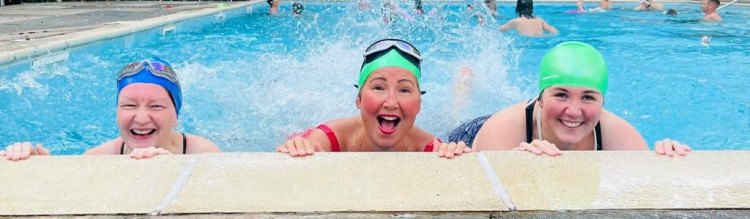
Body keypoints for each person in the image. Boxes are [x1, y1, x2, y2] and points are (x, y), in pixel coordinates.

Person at [465, 41, 691, 156]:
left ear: (603, 103)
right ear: (540, 98)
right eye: (561, 95)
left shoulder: (618, 133)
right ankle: (463, 87)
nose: (573, 111)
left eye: (588, 97)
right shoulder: (504, 129)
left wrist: (668, 158)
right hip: (474, 132)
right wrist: (515, 168)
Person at [276, 39, 470, 158]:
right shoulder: (327, 140)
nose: (391, 102)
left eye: (404, 90)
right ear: (358, 99)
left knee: (453, 121)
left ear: (419, 104)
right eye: (378, 87)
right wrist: (297, 148)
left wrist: (456, 155)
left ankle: (460, 92)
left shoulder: (429, 149)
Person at [2, 57, 221, 160]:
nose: (142, 118)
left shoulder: (203, 154)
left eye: (156, 106)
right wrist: (40, 170)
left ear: (176, 117)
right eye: (129, 105)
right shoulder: (96, 158)